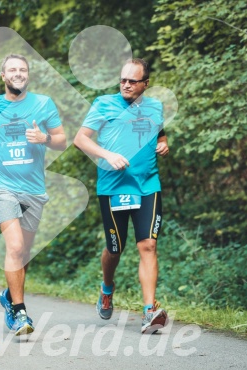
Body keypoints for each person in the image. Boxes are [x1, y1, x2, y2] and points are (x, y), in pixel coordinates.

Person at [73, 58, 170, 334]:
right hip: (113, 187)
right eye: (122, 80)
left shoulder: (155, 107)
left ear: (145, 84)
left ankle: (149, 311)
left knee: (148, 246)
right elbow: (81, 139)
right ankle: (107, 288)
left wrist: (163, 144)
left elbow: (160, 134)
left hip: (147, 186)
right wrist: (107, 154)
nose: (126, 85)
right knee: (115, 248)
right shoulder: (103, 104)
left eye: (132, 81)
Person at [0, 54, 67, 336]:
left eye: (22, 70)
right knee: (14, 247)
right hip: (1, 187)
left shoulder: (43, 103)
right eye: (12, 70)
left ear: (28, 75)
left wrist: (46, 140)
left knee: (24, 253)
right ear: (3, 76)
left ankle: (8, 296)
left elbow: (62, 141)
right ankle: (20, 313)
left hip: (34, 190)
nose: (18, 73)